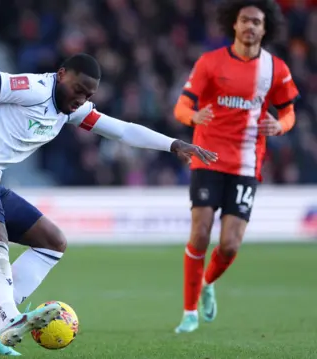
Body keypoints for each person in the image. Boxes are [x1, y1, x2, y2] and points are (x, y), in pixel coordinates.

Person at [0, 53, 217, 355]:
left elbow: (121, 130)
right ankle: (7, 313)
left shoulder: (71, 111)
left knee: (52, 242)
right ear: (61, 75)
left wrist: (173, 144)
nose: (81, 98)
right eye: (78, 89)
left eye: (88, 94)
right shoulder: (32, 87)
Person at [172, 0, 298, 334]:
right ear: (234, 24)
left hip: (245, 163)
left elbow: (288, 112)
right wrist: (193, 116)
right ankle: (188, 312)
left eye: (256, 22)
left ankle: (208, 283)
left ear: (265, 27)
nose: (250, 27)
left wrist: (280, 126)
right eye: (245, 20)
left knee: (229, 245)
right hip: (207, 156)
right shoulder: (210, 63)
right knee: (200, 232)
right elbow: (181, 107)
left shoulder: (276, 69)